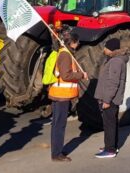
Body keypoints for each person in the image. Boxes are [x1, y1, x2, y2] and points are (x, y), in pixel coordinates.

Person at [48, 31, 87, 162]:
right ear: (72, 42)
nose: (78, 43)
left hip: (60, 94)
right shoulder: (65, 55)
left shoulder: (64, 53)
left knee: (57, 124)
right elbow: (66, 75)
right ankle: (57, 154)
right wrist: (81, 75)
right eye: (77, 41)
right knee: (59, 125)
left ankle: (57, 150)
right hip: (61, 95)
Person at [94, 38, 127, 159]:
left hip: (110, 99)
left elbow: (113, 83)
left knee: (109, 123)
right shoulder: (114, 60)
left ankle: (110, 150)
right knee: (111, 122)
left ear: (111, 49)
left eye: (106, 47)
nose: (104, 49)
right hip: (111, 98)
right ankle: (112, 145)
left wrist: (107, 100)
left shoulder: (116, 62)